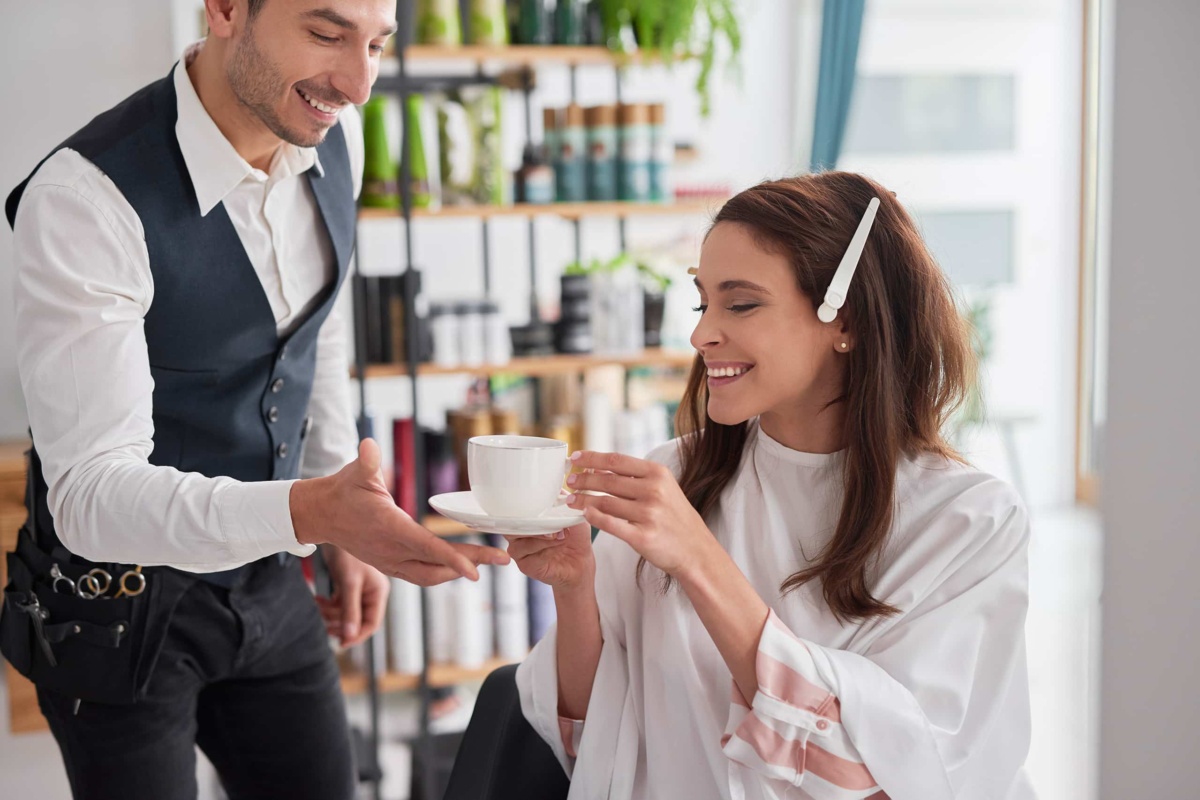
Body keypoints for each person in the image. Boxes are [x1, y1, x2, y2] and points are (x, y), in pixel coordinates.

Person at [2, 1, 507, 798]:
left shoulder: (329, 129)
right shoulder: (84, 198)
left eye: (376, 44)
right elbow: (91, 499)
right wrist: (315, 512)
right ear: (227, 8)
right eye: (326, 32)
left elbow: (319, 326)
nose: (358, 83)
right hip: (118, 611)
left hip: (270, 582)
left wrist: (342, 496)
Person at [509, 172, 1034, 799]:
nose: (703, 333)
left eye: (742, 303)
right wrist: (576, 593)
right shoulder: (674, 479)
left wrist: (700, 561)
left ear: (848, 321)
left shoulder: (969, 522)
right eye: (703, 301)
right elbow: (590, 738)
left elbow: (888, 780)